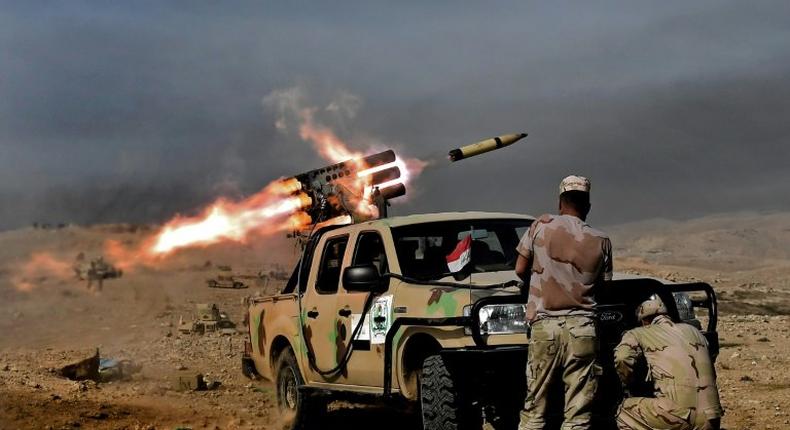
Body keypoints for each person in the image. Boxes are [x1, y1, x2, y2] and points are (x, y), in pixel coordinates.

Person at [516, 175, 613, 430]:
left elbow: (519, 269)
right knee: (579, 412)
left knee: (534, 408)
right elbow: (604, 285)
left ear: (560, 202)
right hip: (583, 329)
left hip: (545, 327)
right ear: (588, 205)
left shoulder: (540, 226)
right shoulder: (601, 240)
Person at [614, 296, 724, 430]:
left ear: (645, 320)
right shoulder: (695, 332)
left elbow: (622, 358)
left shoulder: (639, 333)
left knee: (623, 412)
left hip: (677, 416)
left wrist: (626, 385)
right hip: (711, 417)